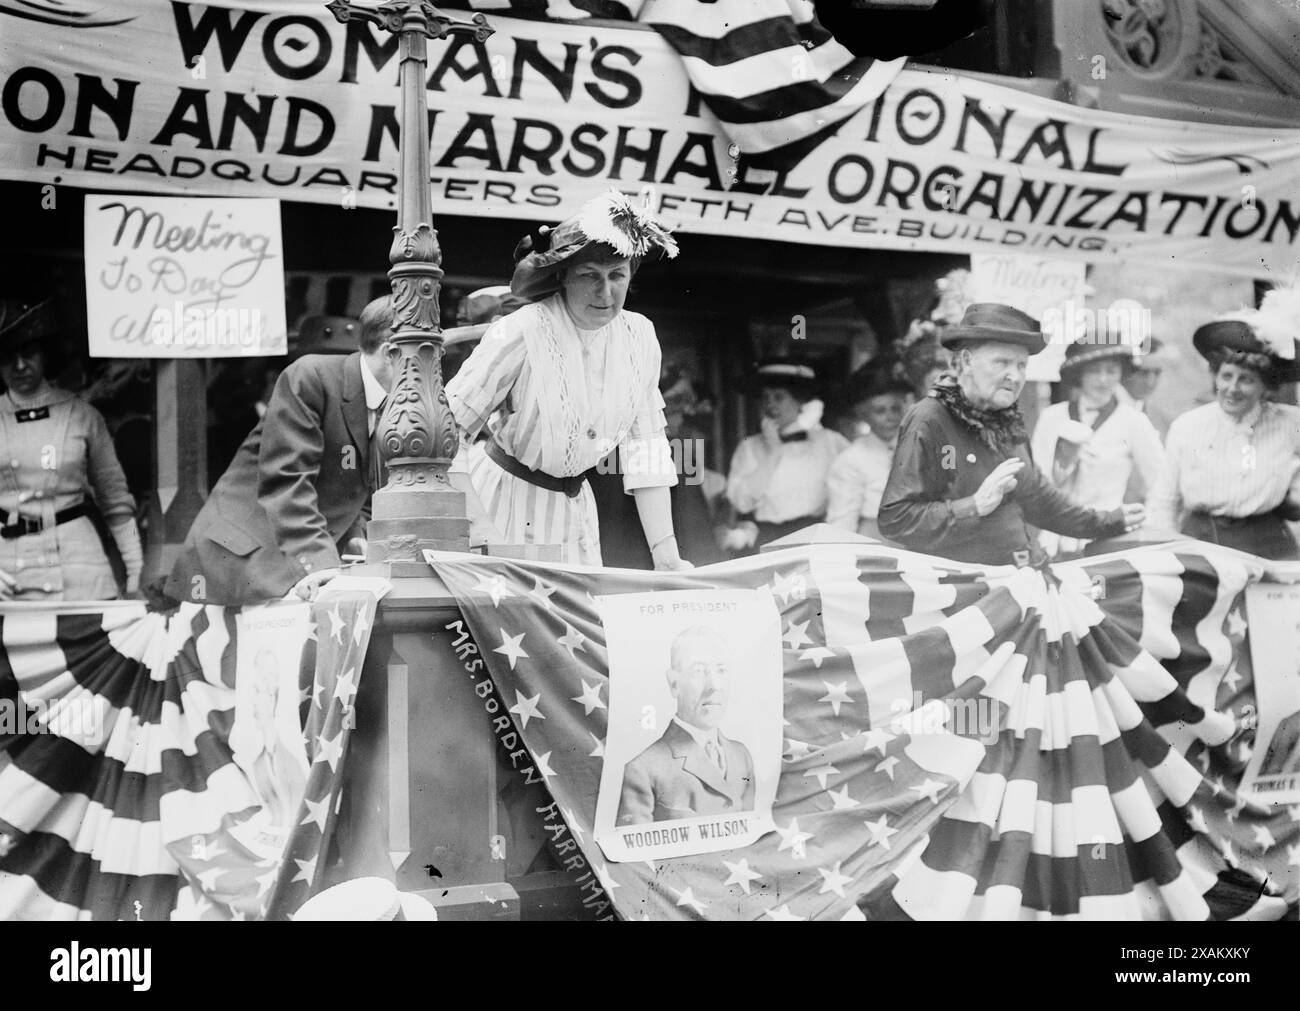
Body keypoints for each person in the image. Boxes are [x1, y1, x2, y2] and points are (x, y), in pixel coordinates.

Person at [444, 190, 689, 570]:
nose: (605, 292)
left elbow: (647, 447)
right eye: (589, 276)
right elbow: (446, 433)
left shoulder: (640, 336)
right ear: (562, 278)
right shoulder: (521, 331)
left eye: (616, 275)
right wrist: (481, 530)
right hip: (503, 505)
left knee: (580, 624)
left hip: (576, 513)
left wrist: (666, 554)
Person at [165, 296, 396, 605]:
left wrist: (356, 535)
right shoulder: (310, 376)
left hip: (295, 565)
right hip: (241, 562)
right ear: (391, 353)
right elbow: (287, 481)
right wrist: (322, 565)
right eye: (426, 355)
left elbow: (355, 485)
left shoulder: (393, 402)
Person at [878, 303, 1144, 567]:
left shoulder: (1008, 421)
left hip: (1021, 579)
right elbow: (895, 518)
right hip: (964, 592)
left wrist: (1109, 521)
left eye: (1021, 365)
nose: (1014, 376)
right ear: (967, 361)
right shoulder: (929, 418)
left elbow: (1041, 501)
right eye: (1002, 362)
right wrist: (974, 506)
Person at [0, 298, 142, 601]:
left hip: (80, 570)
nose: (20, 365)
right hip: (9, 573)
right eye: (8, 357)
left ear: (44, 353)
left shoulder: (83, 415)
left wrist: (136, 569)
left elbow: (117, 503)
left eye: (28, 352)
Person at [1147, 301, 1300, 560]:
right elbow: (1164, 499)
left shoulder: (1290, 424)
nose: (1232, 388)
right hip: (1201, 543)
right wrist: (1162, 554)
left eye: (1247, 379)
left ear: (1266, 386)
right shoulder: (1188, 426)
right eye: (1226, 376)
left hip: (1268, 547)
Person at [1030, 335, 1164, 558]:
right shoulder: (1052, 417)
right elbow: (1037, 482)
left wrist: (1143, 531)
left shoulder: (1133, 421)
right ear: (1080, 374)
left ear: (1121, 373)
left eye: (1111, 371)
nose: (1103, 380)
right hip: (1053, 538)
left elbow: (1160, 485)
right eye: (1094, 371)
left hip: (1107, 538)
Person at [616, 626, 755, 826]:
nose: (714, 685)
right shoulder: (642, 770)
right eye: (698, 672)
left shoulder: (742, 756)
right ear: (674, 684)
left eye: (721, 670)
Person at [723, 360, 848, 552]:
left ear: (799, 401)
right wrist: (773, 453)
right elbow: (742, 502)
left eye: (779, 397)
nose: (770, 405)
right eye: (765, 398)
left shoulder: (830, 441)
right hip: (768, 540)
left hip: (818, 538)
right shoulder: (749, 447)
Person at [826, 365, 914, 539]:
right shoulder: (851, 460)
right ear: (864, 415)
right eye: (880, 411)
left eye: (895, 409)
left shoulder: (917, 447)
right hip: (875, 541)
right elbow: (842, 522)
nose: (890, 417)